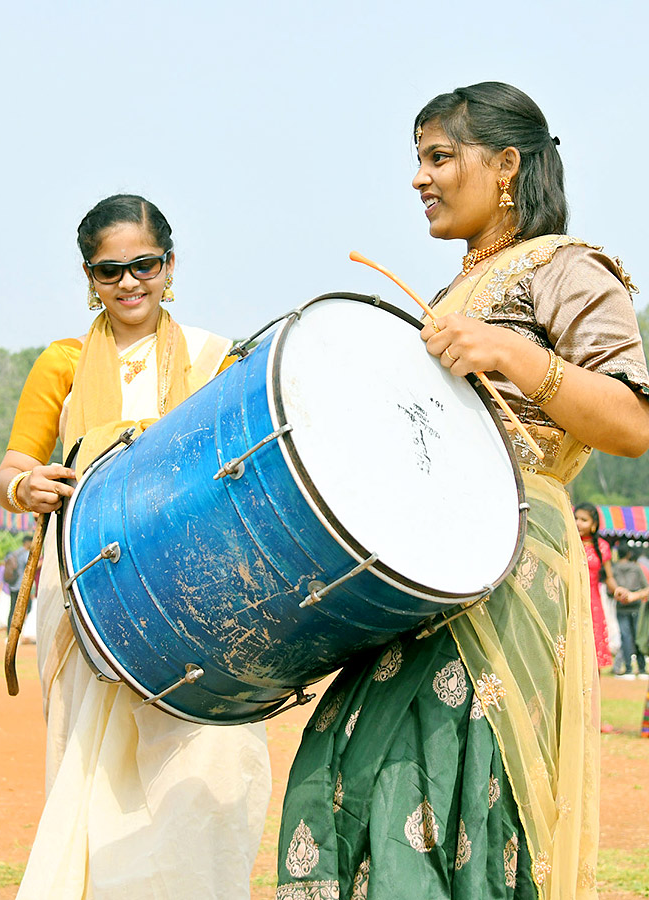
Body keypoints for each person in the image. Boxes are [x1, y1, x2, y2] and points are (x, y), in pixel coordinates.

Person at [275, 82, 649, 900]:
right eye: (419, 160)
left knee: (457, 787)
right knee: (344, 774)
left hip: (505, 575)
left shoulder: (570, 269)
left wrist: (512, 357)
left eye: (440, 157)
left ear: (507, 164)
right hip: (422, 571)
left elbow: (632, 419)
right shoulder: (451, 294)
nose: (420, 178)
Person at [0, 194, 270, 899]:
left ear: (170, 265)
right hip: (87, 587)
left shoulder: (216, 359)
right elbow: (12, 470)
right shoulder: (60, 363)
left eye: (143, 265)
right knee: (88, 766)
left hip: (196, 593)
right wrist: (28, 489)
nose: (128, 283)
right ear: (89, 278)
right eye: (109, 270)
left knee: (207, 755)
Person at [575, 502, 616, 669]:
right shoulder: (567, 543)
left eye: (583, 520)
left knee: (592, 658)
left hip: (593, 605)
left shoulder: (602, 547)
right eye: (576, 518)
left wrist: (619, 590)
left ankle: (593, 695)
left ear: (594, 525)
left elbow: (609, 578)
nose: (578, 523)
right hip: (571, 601)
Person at [610, 539, 649, 677]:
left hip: (621, 607)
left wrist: (621, 595)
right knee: (638, 636)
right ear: (628, 554)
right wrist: (633, 595)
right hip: (637, 606)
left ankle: (628, 669)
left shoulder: (613, 568)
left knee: (625, 637)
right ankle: (642, 668)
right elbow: (646, 586)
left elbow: (610, 590)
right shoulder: (636, 568)